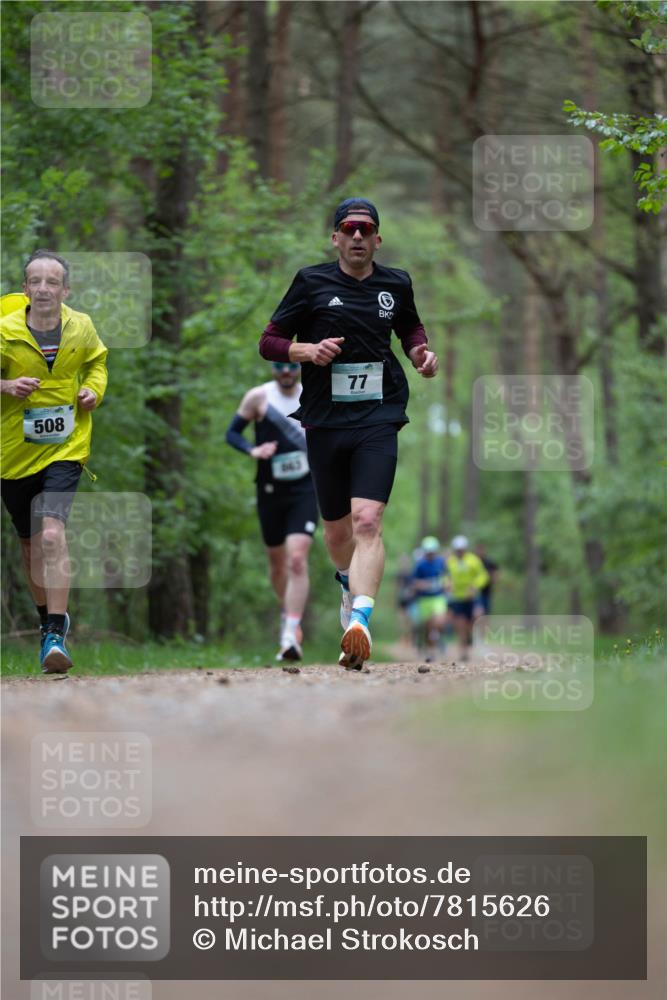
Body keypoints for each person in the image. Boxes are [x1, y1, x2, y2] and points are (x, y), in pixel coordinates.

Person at [259, 197, 438, 669]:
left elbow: (410, 327)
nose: (357, 236)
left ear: (378, 239)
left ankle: (360, 619)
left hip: (379, 414)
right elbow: (269, 342)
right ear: (335, 238)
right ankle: (346, 583)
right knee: (337, 533)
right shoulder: (311, 281)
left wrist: (421, 353)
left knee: (367, 522)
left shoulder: (395, 283)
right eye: (348, 228)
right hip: (324, 420)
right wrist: (308, 351)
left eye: (366, 229)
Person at [1, 250, 108, 673]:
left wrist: (93, 392)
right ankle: (47, 625)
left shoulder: (80, 326)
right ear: (25, 288)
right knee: (30, 548)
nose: (43, 288)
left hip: (67, 446)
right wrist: (7, 385)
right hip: (13, 452)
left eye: (52, 282)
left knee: (50, 536)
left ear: (65, 290)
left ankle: (56, 633)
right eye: (35, 281)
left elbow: (97, 363)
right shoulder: (5, 330)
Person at [225, 361, 318, 661]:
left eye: (292, 365)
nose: (286, 371)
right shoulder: (258, 397)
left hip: (306, 488)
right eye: (280, 366)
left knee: (297, 558)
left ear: (300, 366)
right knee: (277, 564)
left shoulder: (314, 394)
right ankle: (287, 613)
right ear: (272, 367)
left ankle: (291, 632)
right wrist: (253, 450)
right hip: (269, 490)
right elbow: (232, 433)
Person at [444, 535, 489, 661]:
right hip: (457, 597)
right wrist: (447, 583)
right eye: (457, 549)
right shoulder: (450, 561)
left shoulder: (473, 560)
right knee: (460, 624)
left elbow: (483, 576)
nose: (460, 552)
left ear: (465, 549)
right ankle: (463, 651)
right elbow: (445, 576)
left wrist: (475, 586)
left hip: (472, 597)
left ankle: (476, 640)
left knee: (477, 618)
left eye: (462, 549)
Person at [412, 536, 448, 655]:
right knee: (428, 625)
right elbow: (415, 583)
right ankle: (429, 647)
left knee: (439, 621)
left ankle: (438, 638)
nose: (430, 555)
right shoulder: (420, 565)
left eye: (432, 552)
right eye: (428, 552)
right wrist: (426, 585)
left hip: (438, 597)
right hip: (425, 599)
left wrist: (446, 583)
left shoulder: (441, 562)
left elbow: (447, 577)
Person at [474, 542, 499, 615]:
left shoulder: (488, 562)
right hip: (476, 592)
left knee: (486, 611)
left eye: (481, 550)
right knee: (477, 612)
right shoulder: (473, 561)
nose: (479, 552)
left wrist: (494, 580)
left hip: (486, 590)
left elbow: (496, 570)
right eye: (478, 550)